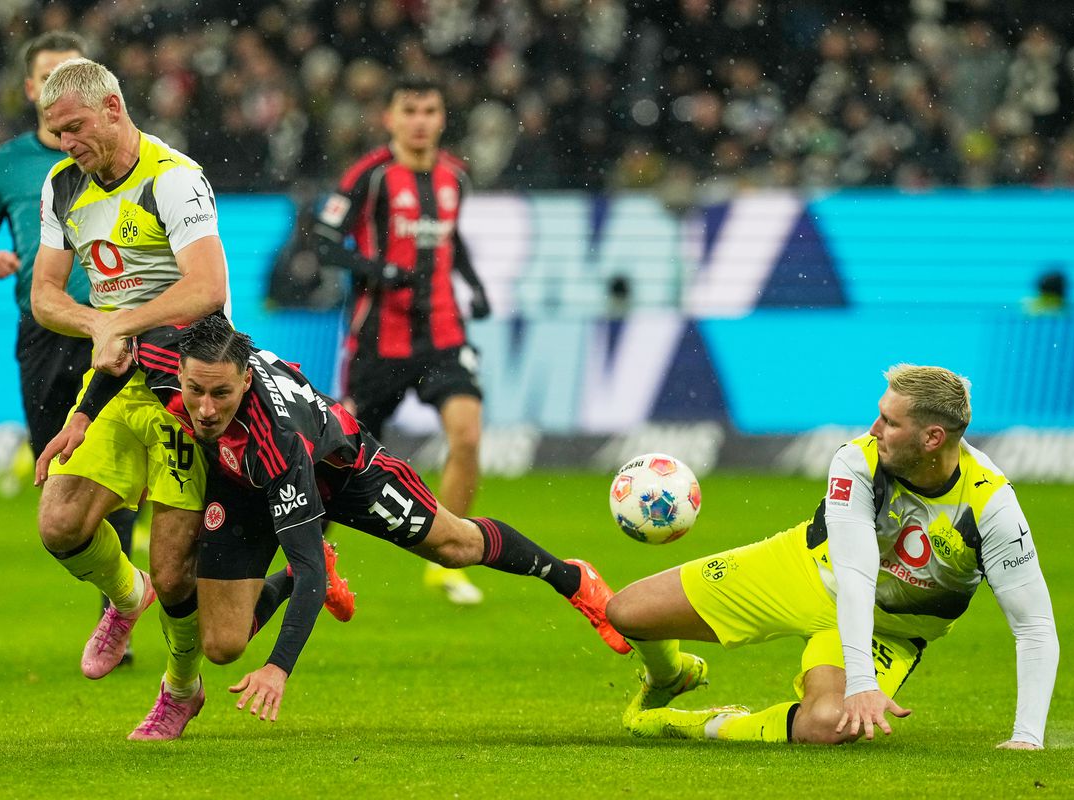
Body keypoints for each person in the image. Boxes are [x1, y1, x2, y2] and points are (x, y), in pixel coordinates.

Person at [37, 314, 631, 725]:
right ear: (181, 370)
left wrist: (278, 668)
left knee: (453, 546)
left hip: (343, 472)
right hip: (242, 487)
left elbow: (303, 550)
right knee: (221, 646)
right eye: (195, 391)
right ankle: (291, 584)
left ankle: (573, 579)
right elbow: (119, 361)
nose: (205, 409)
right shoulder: (166, 351)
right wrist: (82, 417)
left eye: (221, 395)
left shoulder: (277, 440)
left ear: (246, 380)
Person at [606, 365, 1058, 749]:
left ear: (932, 438)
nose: (874, 429)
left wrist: (1027, 737)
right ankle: (670, 675)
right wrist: (862, 683)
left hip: (890, 629)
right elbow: (856, 576)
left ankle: (694, 724)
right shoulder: (856, 461)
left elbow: (1033, 625)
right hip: (802, 570)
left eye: (890, 422)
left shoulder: (991, 507)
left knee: (827, 724)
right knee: (627, 613)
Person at [29, 57, 227, 740]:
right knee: (59, 523)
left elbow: (207, 288)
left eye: (75, 128)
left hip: (184, 385)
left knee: (176, 573)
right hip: (115, 376)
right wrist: (98, 325)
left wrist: (124, 325)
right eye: (56, 133)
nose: (66, 143)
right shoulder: (62, 185)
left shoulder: (173, 179)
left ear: (113, 107)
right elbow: (45, 295)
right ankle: (124, 594)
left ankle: (182, 689)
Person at [0, 32, 138, 659]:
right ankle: (121, 589)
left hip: (116, 324)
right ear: (32, 88)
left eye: (71, 71)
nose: (59, 82)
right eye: (48, 74)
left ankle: (119, 607)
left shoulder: (127, 156)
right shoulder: (8, 165)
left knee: (118, 457)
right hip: (46, 331)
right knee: (61, 471)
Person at [313, 75, 492, 605]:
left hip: (443, 333)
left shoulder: (455, 177)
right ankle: (312, 559)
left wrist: (475, 286)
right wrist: (378, 270)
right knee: (341, 456)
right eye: (409, 111)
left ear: (442, 119)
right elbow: (323, 240)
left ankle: (447, 561)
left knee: (467, 436)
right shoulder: (369, 176)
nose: (419, 121)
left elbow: (452, 239)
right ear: (389, 118)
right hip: (379, 341)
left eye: (429, 111)